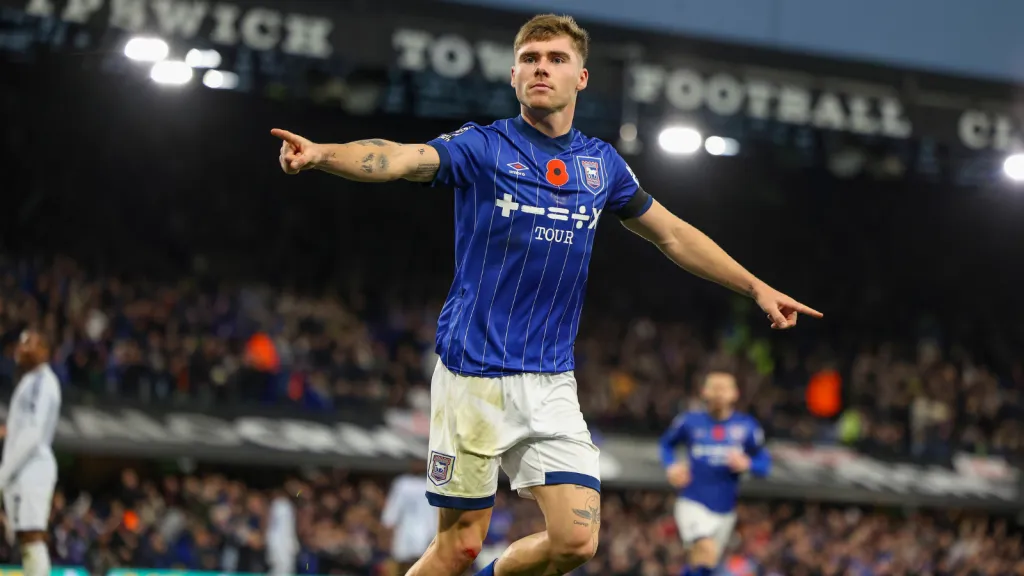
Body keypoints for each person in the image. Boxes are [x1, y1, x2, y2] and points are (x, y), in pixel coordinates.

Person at [271, 13, 820, 576]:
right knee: (457, 548)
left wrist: (756, 287)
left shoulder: (600, 165)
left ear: (581, 77)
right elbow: (403, 157)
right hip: (473, 378)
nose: (542, 69)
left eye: (557, 59)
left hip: (551, 381)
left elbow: (674, 234)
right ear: (513, 75)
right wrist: (324, 154)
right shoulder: (484, 147)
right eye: (531, 60)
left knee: (576, 541)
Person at [659, 371, 771, 576]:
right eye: (714, 387)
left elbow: (765, 464)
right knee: (706, 551)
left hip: (726, 510)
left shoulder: (747, 427)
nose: (719, 393)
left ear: (735, 394)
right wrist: (671, 466)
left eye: (724, 388)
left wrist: (749, 464)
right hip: (693, 502)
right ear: (704, 391)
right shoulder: (689, 421)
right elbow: (666, 444)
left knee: (702, 566)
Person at [0, 330, 62, 576]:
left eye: (30, 343)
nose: (23, 348)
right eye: (22, 343)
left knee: (33, 534)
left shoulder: (41, 382)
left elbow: (33, 433)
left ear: (45, 351)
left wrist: (4, 471)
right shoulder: (29, 381)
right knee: (26, 537)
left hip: (32, 467)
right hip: (21, 469)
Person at [382, 461, 439, 574]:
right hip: (404, 534)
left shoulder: (434, 483)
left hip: (426, 535)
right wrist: (386, 535)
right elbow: (391, 515)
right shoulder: (402, 483)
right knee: (403, 567)